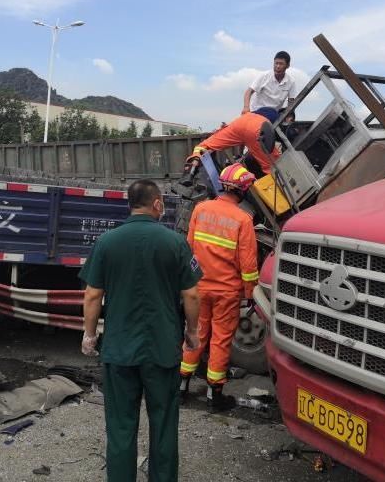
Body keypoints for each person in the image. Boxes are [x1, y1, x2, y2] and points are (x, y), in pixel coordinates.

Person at [80, 179, 202, 482]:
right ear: (157, 204)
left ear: (130, 204)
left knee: (121, 426)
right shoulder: (175, 242)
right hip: (162, 350)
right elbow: (192, 295)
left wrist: (89, 335)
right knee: (163, 424)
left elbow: (93, 295)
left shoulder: (107, 242)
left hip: (119, 351)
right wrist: (193, 332)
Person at [179, 163, 259, 413]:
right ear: (243, 190)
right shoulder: (243, 220)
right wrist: (251, 295)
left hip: (199, 288)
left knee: (196, 333)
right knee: (221, 340)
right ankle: (216, 395)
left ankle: (182, 386)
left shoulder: (200, 209)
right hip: (226, 292)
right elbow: (248, 265)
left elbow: (189, 248)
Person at [187, 107, 280, 175]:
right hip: (258, 128)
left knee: (205, 145)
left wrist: (196, 157)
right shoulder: (274, 115)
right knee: (274, 168)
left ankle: (192, 163)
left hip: (241, 121)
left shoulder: (251, 115)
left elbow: (245, 138)